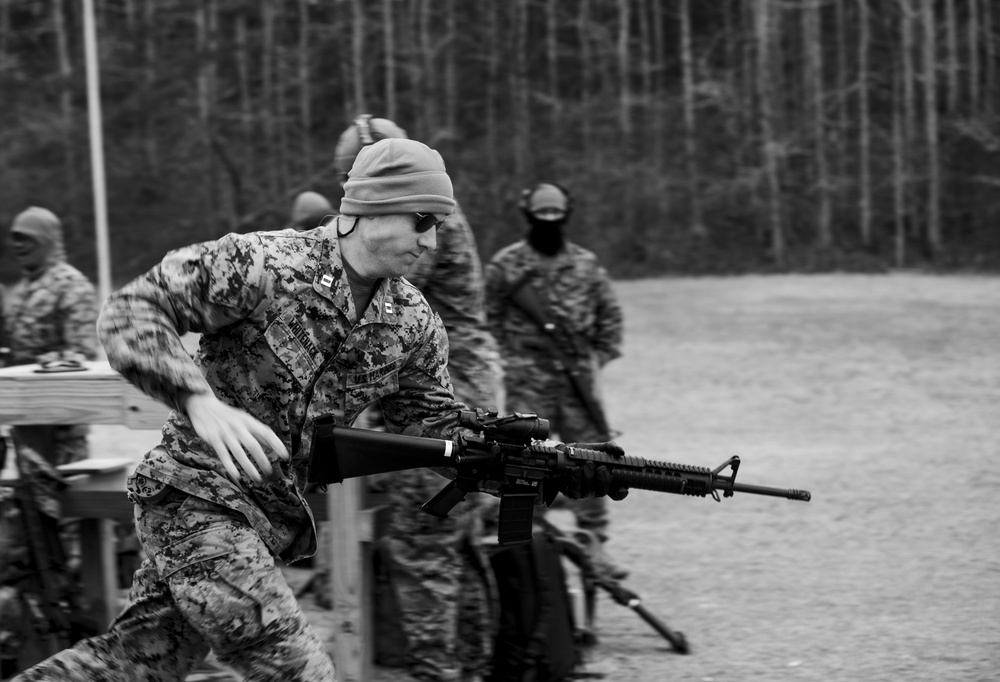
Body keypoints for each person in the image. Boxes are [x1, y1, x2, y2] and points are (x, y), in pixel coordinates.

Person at [11, 140, 623, 682]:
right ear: (371, 207)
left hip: (269, 522)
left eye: (437, 226)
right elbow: (130, 311)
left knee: (138, 659)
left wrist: (541, 467)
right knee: (295, 666)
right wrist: (197, 400)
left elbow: (433, 428)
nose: (431, 242)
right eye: (422, 221)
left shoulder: (412, 321)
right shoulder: (260, 264)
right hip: (193, 500)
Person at [332, 114, 503, 682]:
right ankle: (475, 667)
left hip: (440, 398)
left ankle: (441, 673)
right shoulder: (432, 211)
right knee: (456, 541)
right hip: (468, 389)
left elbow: (372, 322)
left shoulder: (414, 224)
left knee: (423, 545)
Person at [484, 183, 625, 573]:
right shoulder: (505, 266)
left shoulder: (586, 265)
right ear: (528, 214)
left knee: (595, 463)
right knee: (523, 464)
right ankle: (529, 546)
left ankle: (595, 544)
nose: (548, 220)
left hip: (577, 386)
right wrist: (509, 360)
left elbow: (610, 324)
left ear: (567, 214)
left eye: (555, 213)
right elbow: (485, 322)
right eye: (541, 213)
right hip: (527, 385)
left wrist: (591, 364)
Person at [1, 206, 100, 673]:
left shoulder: (71, 285)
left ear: (46, 238)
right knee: (30, 540)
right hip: (25, 434)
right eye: (13, 238)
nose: (16, 244)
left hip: (60, 438)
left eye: (26, 237)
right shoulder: (19, 291)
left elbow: (79, 358)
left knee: (61, 542)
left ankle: (77, 638)